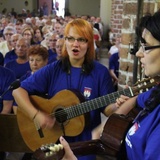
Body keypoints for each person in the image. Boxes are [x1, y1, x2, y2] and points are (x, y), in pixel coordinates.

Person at [59, 11, 160, 160]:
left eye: (146, 46)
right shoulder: (155, 92)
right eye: (70, 39)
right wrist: (101, 129)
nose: (138, 53)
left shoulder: (99, 71)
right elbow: (136, 98)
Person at [13, 18, 114, 160]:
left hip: (85, 146)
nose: (75, 44)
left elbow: (108, 109)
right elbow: (18, 92)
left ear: (89, 44)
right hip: (53, 143)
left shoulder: (100, 72)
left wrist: (119, 104)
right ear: (65, 41)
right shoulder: (54, 69)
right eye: (71, 39)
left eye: (81, 40)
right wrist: (36, 115)